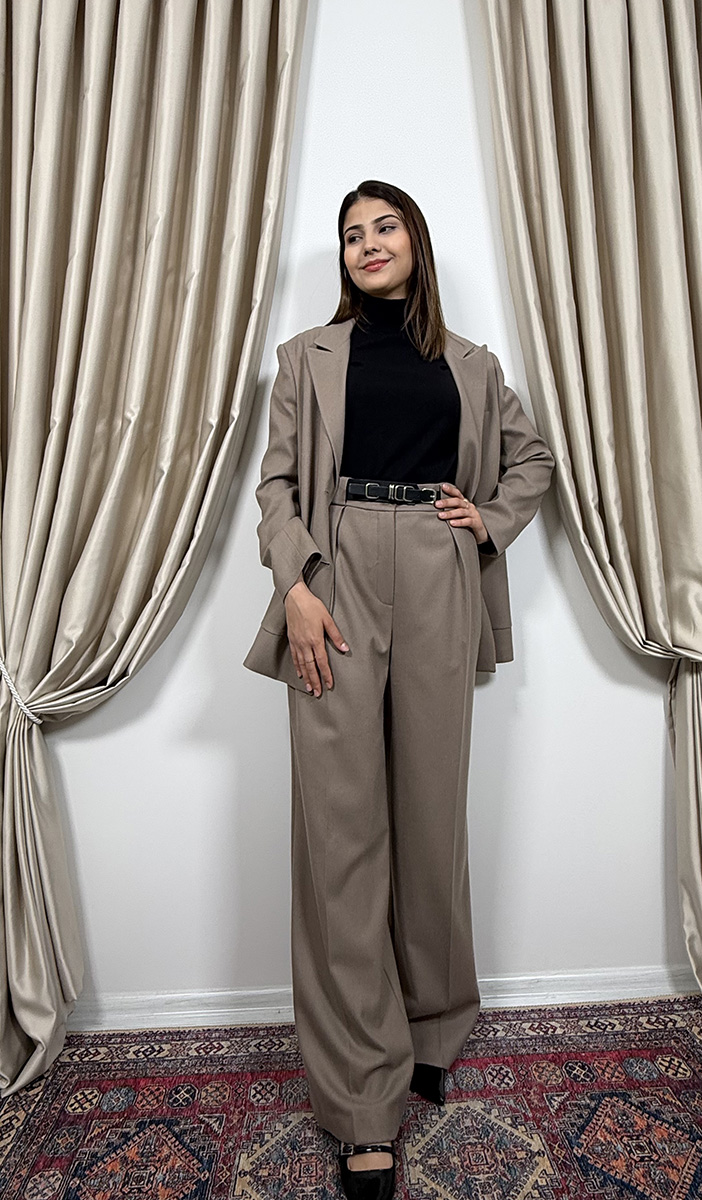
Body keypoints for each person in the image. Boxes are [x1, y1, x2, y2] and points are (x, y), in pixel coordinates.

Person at [243, 180, 555, 1200]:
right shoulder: (305, 358)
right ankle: (360, 1103)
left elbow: (533, 459)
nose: (367, 244)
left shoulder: (473, 364)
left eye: (384, 227)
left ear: (415, 241)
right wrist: (294, 587)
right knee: (341, 839)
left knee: (429, 818)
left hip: (436, 568)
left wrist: (488, 521)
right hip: (332, 576)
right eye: (351, 234)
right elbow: (276, 485)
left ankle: (431, 1029)